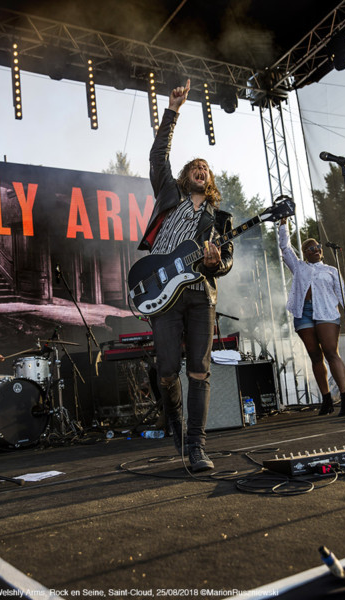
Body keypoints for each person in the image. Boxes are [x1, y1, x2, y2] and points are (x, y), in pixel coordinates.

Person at [137, 79, 234, 472]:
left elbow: (226, 260)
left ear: (209, 182)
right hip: (162, 291)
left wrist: (215, 264)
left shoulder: (220, 219)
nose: (200, 169)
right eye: (195, 166)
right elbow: (158, 155)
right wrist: (173, 112)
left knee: (199, 369)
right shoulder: (168, 195)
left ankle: (196, 445)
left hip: (198, 296)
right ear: (184, 176)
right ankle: (174, 424)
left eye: (205, 168)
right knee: (165, 369)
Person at [279, 219, 345, 416]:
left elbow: (343, 294)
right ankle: (326, 399)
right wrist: (284, 226)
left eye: (317, 247)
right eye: (310, 248)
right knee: (315, 355)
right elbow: (284, 246)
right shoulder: (299, 266)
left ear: (321, 251)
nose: (315, 249)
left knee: (330, 352)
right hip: (304, 313)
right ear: (304, 253)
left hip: (326, 312)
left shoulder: (331, 270)